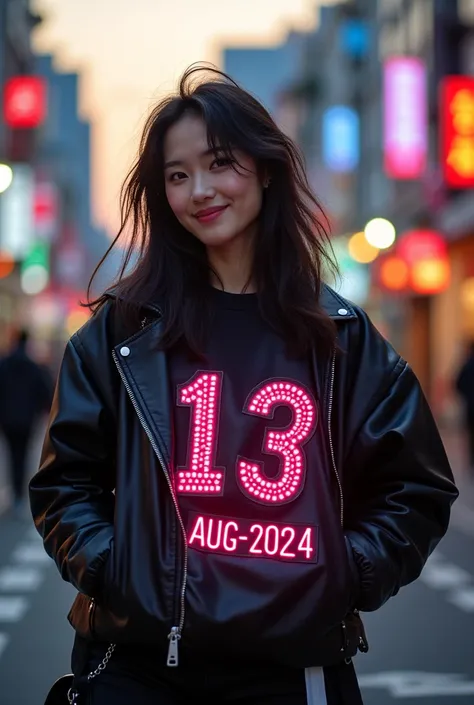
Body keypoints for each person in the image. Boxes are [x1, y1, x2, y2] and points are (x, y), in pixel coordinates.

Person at [29, 65, 458, 705]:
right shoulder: (123, 331)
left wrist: (344, 575)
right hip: (141, 664)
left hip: (294, 669)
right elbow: (65, 482)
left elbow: (415, 487)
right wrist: (116, 570)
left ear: (264, 168)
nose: (199, 190)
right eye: (177, 176)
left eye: (219, 163)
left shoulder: (338, 334)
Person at [0, 328, 53, 515]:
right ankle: (19, 496)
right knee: (22, 455)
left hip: (6, 418)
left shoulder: (4, 364)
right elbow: (45, 391)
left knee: (11, 453)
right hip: (27, 419)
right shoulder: (33, 366)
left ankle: (14, 492)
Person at [455, 341, 474, 476]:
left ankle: (471, 462)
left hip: (470, 406)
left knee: (470, 435)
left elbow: (458, 383)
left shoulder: (467, 365)